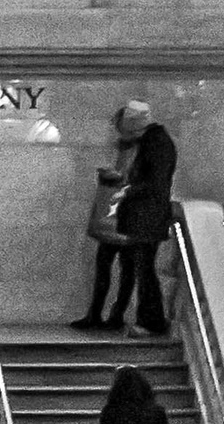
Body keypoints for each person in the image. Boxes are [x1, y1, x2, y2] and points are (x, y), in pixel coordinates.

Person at [73, 101, 176, 336]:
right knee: (140, 270)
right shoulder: (155, 141)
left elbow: (153, 181)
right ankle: (144, 318)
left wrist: (127, 189)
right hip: (136, 216)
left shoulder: (153, 143)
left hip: (142, 216)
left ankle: (149, 320)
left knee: (142, 270)